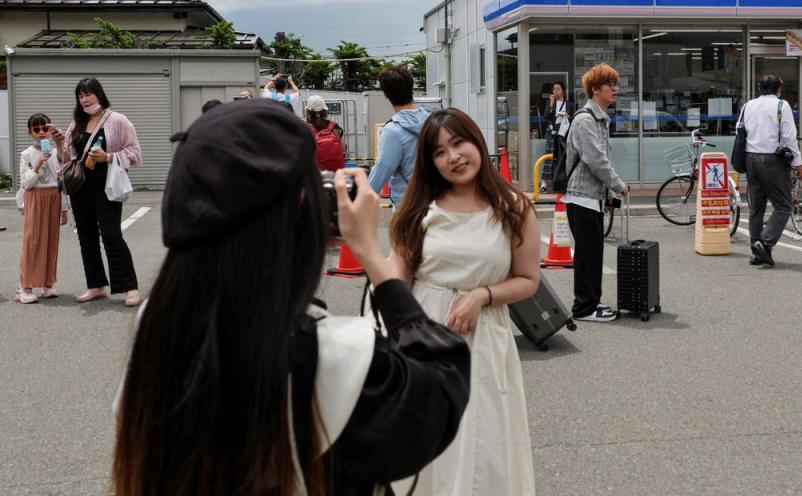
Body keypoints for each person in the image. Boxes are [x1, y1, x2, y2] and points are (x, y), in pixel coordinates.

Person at [112, 99, 470, 496]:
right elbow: (441, 387)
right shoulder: (329, 353)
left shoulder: (156, 325)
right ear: (294, 215)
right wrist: (370, 252)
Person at [389, 108, 539, 495]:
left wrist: (482, 295)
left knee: (484, 441)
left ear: (477, 142)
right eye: (439, 152)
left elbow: (527, 280)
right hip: (423, 339)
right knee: (428, 447)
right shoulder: (419, 211)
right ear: (430, 162)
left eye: (459, 143)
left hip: (484, 340)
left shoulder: (513, 207)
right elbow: (394, 286)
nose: (453, 157)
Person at [60, 77, 142, 306]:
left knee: (112, 235)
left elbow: (135, 152)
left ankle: (129, 287)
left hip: (107, 186)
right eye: (80, 96)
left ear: (99, 94)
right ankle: (96, 286)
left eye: (88, 94)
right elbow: (66, 158)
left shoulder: (118, 120)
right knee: (86, 238)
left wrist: (108, 157)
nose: (84, 100)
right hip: (80, 188)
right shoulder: (76, 123)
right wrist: (59, 143)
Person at [564, 64, 628, 322]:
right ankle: (584, 308)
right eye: (609, 84)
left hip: (590, 197)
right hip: (581, 196)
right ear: (594, 89)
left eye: (616, 84)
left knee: (592, 253)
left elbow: (598, 161)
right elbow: (596, 160)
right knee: (588, 255)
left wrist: (609, 191)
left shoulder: (599, 118)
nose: (615, 88)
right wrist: (617, 184)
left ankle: (591, 303)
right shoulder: (585, 120)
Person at [741, 73, 802, 267]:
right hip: (772, 160)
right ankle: (765, 241)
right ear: (779, 89)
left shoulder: (748, 105)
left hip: (750, 157)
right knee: (784, 205)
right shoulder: (781, 105)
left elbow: (740, 130)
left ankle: (757, 251)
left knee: (757, 206)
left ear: (760, 88)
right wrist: (798, 162)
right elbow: (789, 136)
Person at [16, 114, 69, 303]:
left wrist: (64, 209)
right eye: (36, 129)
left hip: (53, 196)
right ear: (29, 131)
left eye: (45, 128)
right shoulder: (27, 154)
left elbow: (63, 174)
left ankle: (48, 284)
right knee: (33, 242)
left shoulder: (56, 151)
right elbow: (26, 183)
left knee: (51, 240)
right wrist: (38, 164)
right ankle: (24, 287)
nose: (41, 133)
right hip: (36, 197)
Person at [368, 65, 430, 205]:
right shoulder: (431, 119)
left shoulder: (393, 130)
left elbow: (382, 168)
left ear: (386, 94)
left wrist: (361, 199)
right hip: (436, 200)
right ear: (411, 88)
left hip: (408, 206)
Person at [543, 80, 573, 192]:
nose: (555, 91)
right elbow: (546, 117)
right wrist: (550, 104)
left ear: (563, 91)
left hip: (563, 135)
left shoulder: (569, 104)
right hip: (552, 134)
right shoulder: (551, 103)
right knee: (549, 158)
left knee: (562, 158)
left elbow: (573, 119)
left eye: (557, 89)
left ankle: (562, 182)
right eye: (554, 89)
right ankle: (544, 184)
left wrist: (567, 115)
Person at [304, 95, 345, 171]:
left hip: (315, 174)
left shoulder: (304, 128)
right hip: (335, 173)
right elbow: (342, 148)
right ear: (324, 111)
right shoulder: (334, 127)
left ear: (308, 112)